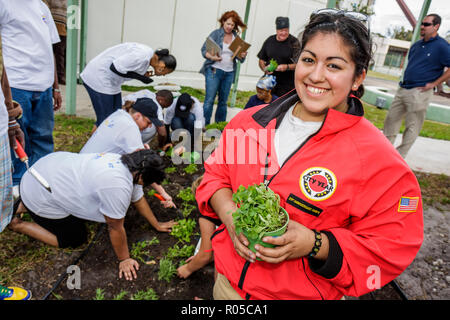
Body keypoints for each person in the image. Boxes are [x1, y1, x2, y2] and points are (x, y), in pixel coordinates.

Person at [196, 9, 423, 300]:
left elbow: (392, 243)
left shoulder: (377, 159)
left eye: (334, 66)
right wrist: (230, 216)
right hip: (227, 287)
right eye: (308, 60)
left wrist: (315, 244)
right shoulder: (249, 122)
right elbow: (216, 175)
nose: (316, 76)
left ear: (358, 77)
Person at [9, 149, 167, 281]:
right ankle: (17, 224)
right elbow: (114, 227)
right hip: (41, 192)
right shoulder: (116, 186)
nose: (145, 187)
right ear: (140, 176)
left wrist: (156, 224)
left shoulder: (122, 160)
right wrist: (124, 259)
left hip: (43, 172)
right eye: (147, 183)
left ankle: (22, 205)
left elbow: (137, 197)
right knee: (75, 238)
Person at [0, 0, 62, 186]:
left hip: (43, 86)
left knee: (43, 139)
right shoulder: (5, 4)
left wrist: (55, 86)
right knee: (18, 141)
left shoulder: (41, 6)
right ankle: (18, 188)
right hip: (16, 84)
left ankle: (41, 186)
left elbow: (49, 47)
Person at [80, 97, 177, 215]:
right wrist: (163, 193)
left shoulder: (120, 114)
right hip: (88, 178)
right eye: (148, 122)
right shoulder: (130, 128)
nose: (149, 126)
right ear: (137, 116)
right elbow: (144, 165)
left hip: (83, 163)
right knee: (132, 181)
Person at [383, 14, 450, 158]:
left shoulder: (442, 46)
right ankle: (385, 154)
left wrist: (435, 84)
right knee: (390, 120)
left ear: (436, 26)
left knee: (412, 127)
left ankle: (399, 158)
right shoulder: (416, 45)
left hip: (420, 92)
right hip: (403, 89)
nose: (422, 27)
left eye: (426, 24)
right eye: (422, 24)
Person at [80, 43, 176, 129]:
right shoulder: (142, 55)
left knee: (117, 117)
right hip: (98, 76)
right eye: (165, 72)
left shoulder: (147, 61)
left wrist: (142, 75)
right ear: (162, 65)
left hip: (112, 82)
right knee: (105, 120)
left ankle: (110, 144)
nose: (163, 75)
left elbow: (128, 70)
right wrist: (140, 78)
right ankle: (95, 146)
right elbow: (114, 67)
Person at [200, 10, 248, 125]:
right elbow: (204, 50)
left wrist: (242, 55)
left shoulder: (236, 37)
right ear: (223, 22)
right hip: (214, 70)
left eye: (232, 25)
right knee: (209, 100)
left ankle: (219, 126)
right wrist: (213, 58)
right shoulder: (216, 34)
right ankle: (204, 125)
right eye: (228, 24)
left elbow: (240, 60)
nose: (230, 27)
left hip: (229, 72)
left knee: (223, 102)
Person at [257, 17, 300, 97]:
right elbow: (261, 60)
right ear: (276, 30)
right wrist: (264, 69)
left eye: (286, 30)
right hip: (269, 82)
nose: (284, 33)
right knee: (265, 105)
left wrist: (286, 67)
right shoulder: (270, 40)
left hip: (287, 85)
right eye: (281, 30)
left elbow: (299, 64)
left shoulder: (294, 43)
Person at [43, 0, 67, 85]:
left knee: (61, 54)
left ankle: (61, 77)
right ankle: (52, 77)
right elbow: (45, 9)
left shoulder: (69, 1)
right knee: (50, 53)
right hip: (52, 28)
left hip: (63, 30)